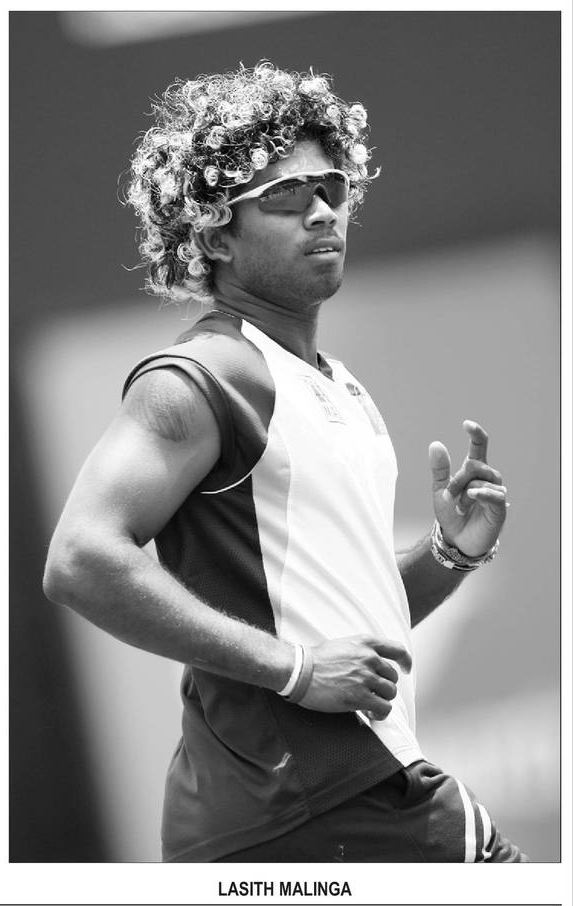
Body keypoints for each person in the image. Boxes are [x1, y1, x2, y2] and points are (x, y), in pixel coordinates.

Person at [43, 62, 528, 863]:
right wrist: (294, 668)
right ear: (214, 234)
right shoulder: (205, 375)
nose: (323, 210)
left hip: (315, 803)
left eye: (332, 187)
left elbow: (350, 633)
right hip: (310, 805)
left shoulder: (335, 386)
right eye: (285, 195)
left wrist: (449, 554)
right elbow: (80, 558)